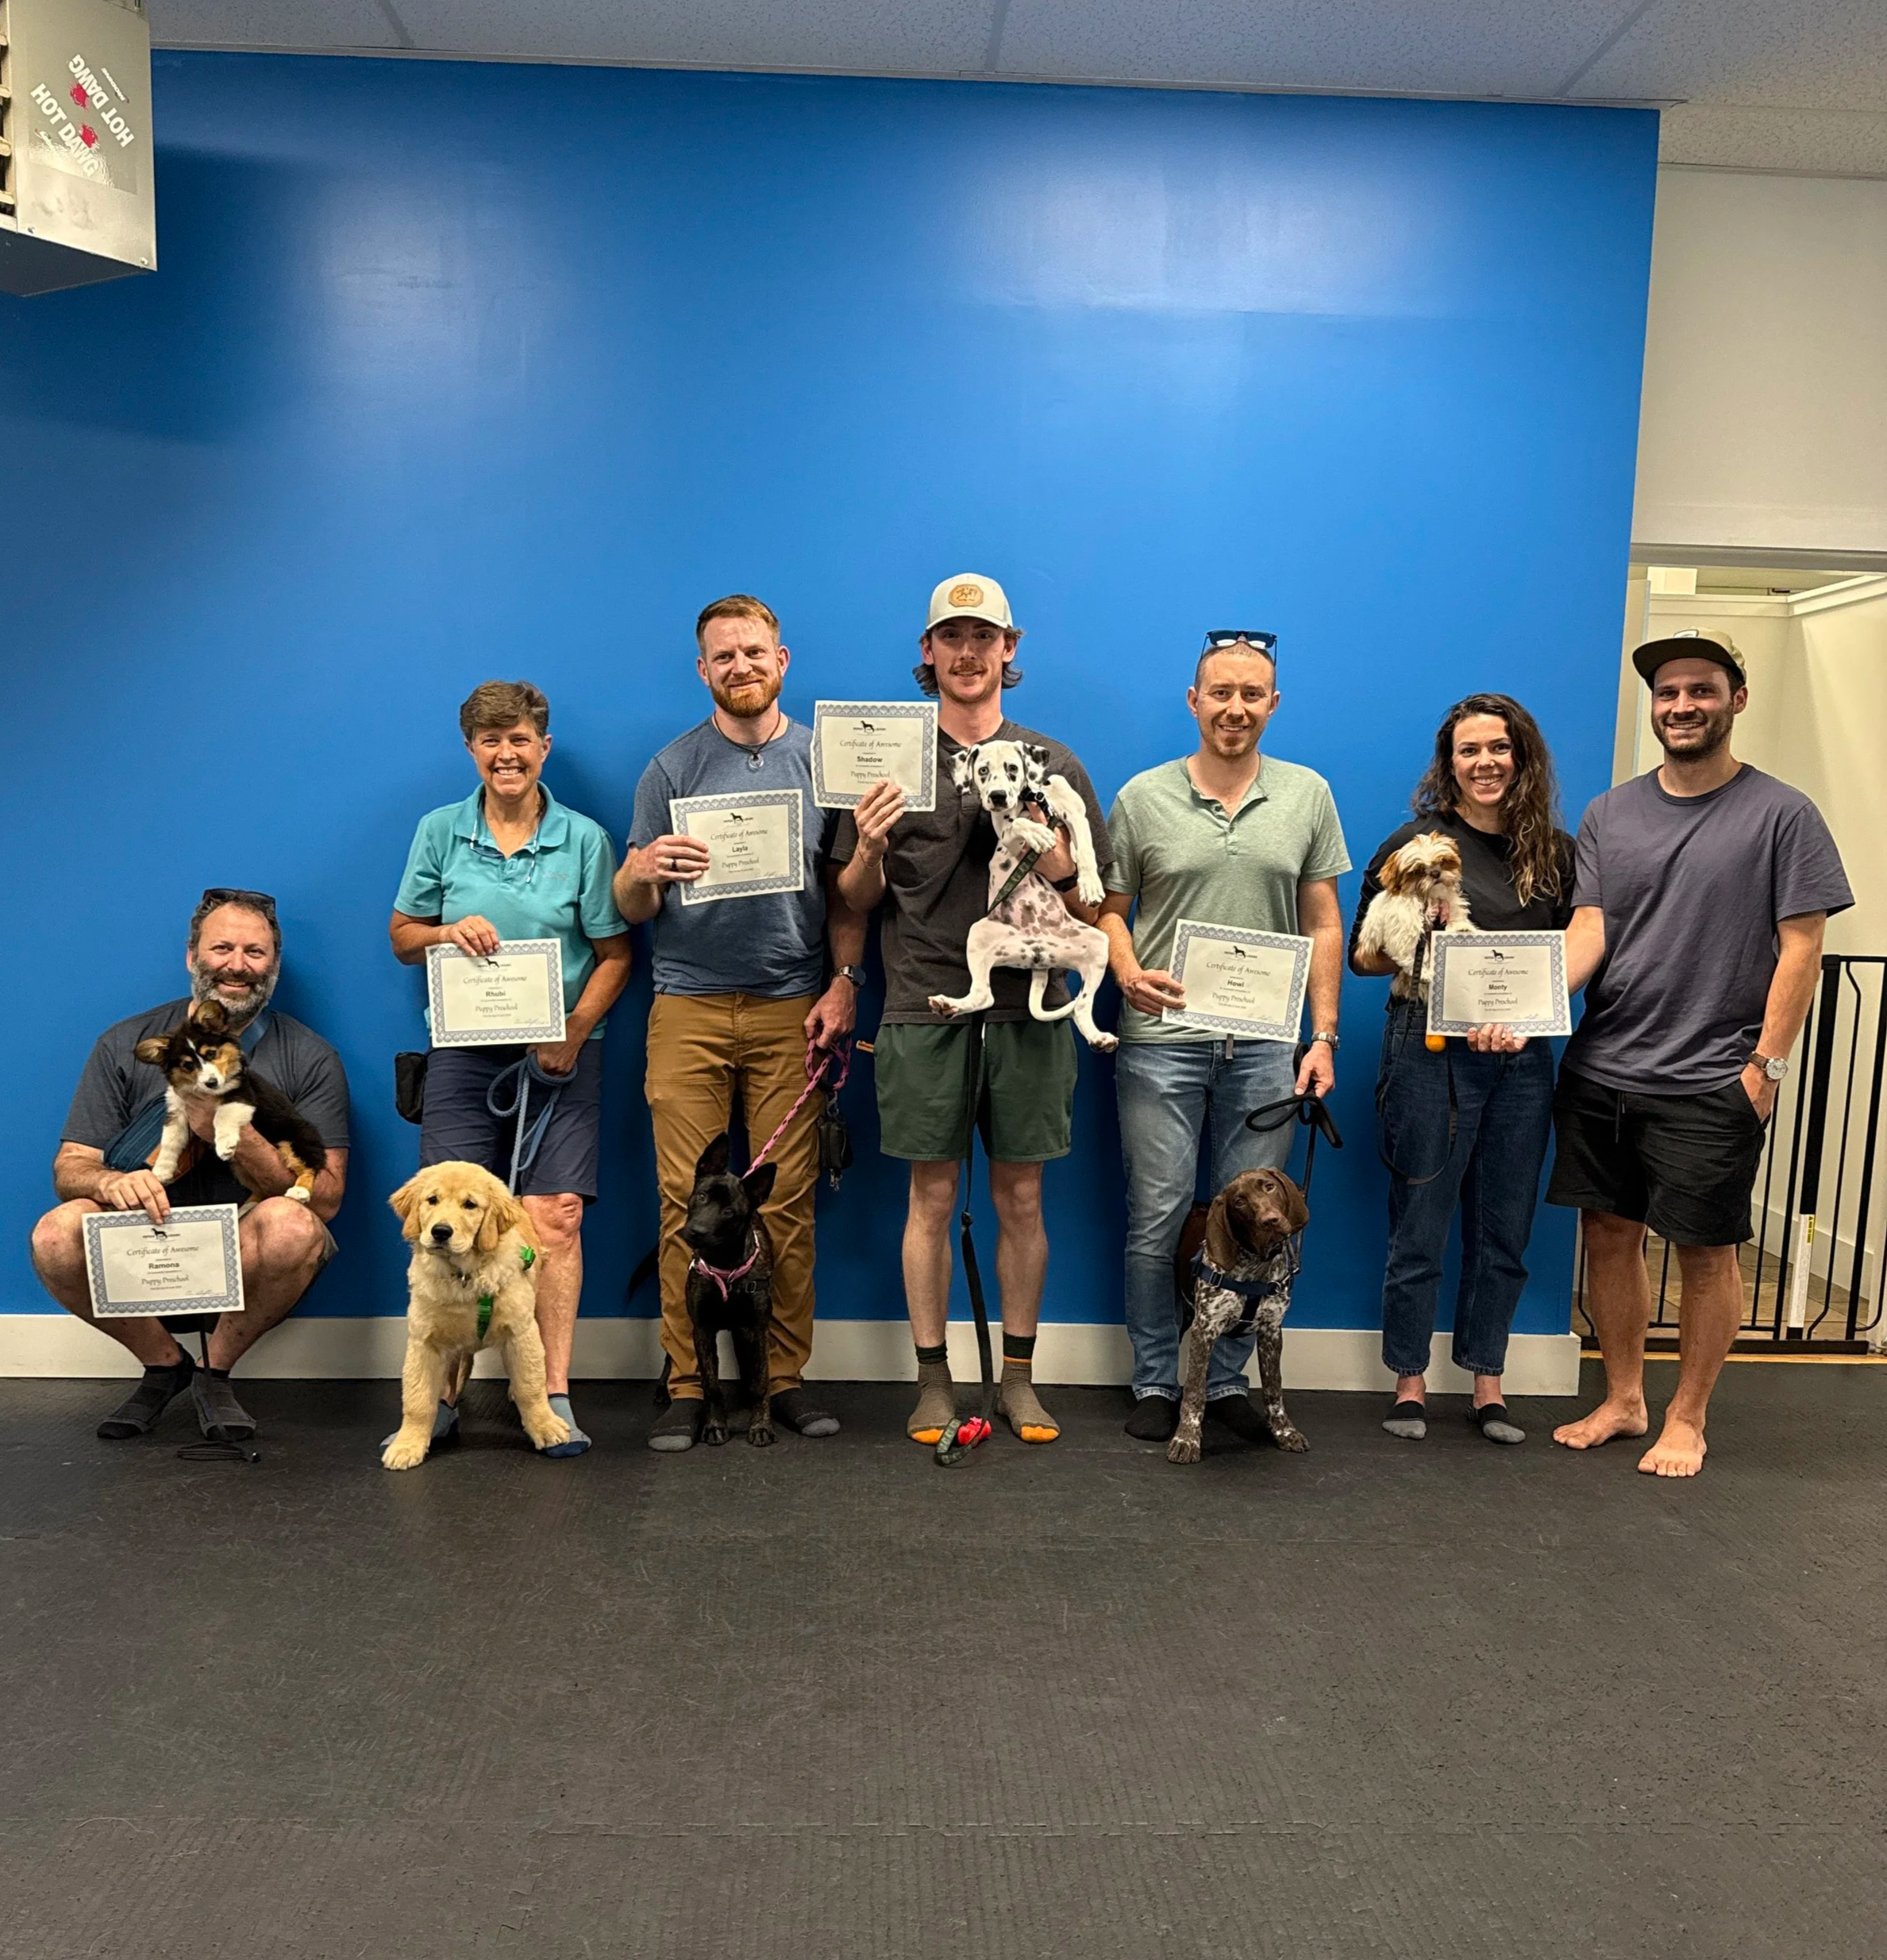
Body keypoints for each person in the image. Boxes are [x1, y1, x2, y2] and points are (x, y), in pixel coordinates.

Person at [1550, 638, 1852, 1477]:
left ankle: (1687, 1416)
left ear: (1735, 700)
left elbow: (1803, 947)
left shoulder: (1783, 814)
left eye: (1701, 690)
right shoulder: (1609, 814)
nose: (1681, 705)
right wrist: (1524, 1008)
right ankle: (1622, 1398)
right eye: (1667, 693)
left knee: (1705, 1250)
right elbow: (1589, 928)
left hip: (1713, 1076)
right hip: (1602, 1067)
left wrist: (1766, 1066)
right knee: (1608, 1236)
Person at [835, 573, 1111, 1446]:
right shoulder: (886, 759)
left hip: (1031, 1004)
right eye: (950, 637)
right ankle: (932, 1382)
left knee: (1022, 1196)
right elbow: (853, 898)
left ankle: (1018, 1379)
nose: (966, 652)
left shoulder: (1053, 764)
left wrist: (1054, 856)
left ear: (1008, 648)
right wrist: (868, 845)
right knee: (930, 1195)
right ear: (927, 651)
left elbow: (1097, 901)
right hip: (922, 1000)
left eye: (983, 637)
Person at [614, 595, 865, 1452]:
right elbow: (629, 904)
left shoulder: (823, 760)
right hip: (686, 1002)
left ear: (780, 659)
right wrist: (644, 869)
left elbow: (845, 895)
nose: (740, 667)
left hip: (792, 1003)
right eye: (723, 656)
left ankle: (779, 1380)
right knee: (682, 1203)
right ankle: (690, 1386)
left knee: (784, 1205)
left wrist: (844, 982)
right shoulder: (670, 769)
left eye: (753, 652)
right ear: (702, 670)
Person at [1099, 630, 1349, 1442]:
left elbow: (1323, 921)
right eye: (1220, 693)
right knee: (1157, 1214)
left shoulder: (1307, 794)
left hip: (1266, 1046)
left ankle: (1227, 1380)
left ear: (1272, 705)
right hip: (1159, 1039)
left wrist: (1322, 1036)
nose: (1234, 708)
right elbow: (1106, 910)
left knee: (1254, 1226)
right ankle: (1153, 1380)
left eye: (1250, 695)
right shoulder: (1141, 796)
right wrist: (1126, 972)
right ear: (1193, 700)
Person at [390, 680, 631, 1458]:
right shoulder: (439, 831)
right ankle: (443, 1396)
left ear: (543, 747)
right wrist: (444, 931)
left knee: (553, 1216)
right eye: (490, 740)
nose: (506, 754)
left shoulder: (585, 839)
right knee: (445, 1219)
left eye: (520, 739)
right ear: (471, 750)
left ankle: (551, 1395)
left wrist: (574, 1030)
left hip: (562, 1051)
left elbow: (616, 954)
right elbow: (401, 935)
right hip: (463, 1053)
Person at [29, 890, 351, 1442]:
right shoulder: (125, 1043)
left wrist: (230, 1132)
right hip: (144, 1239)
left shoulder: (310, 1056)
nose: (237, 965)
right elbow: (71, 1167)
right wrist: (113, 1181)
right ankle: (164, 1364)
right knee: (55, 1235)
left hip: (245, 1243)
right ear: (192, 955)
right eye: (222, 948)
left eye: (255, 952)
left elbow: (326, 1198)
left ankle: (212, 1372)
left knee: (295, 1226)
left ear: (274, 963)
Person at [1349, 694, 1573, 1446]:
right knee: (1419, 1221)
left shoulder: (1555, 853)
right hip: (1428, 1049)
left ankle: (1487, 1383)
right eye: (1468, 750)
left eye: (1498, 748)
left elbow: (1569, 953)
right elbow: (1360, 957)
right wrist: (1418, 937)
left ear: (1521, 757)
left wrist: (1524, 1018)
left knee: (1504, 1225)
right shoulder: (1413, 844)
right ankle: (1409, 1381)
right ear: (1448, 763)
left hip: (1521, 1057)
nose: (1485, 762)